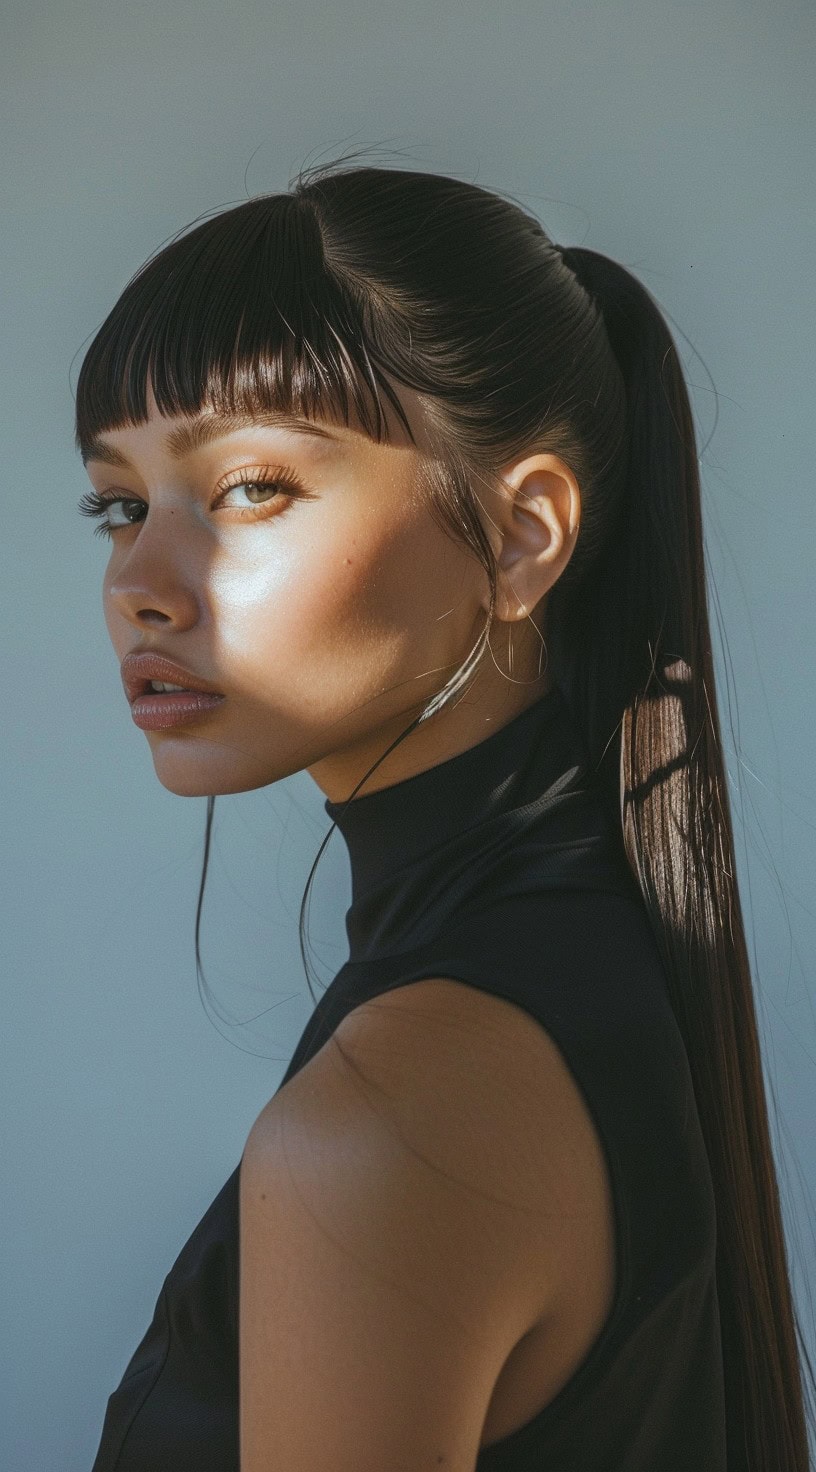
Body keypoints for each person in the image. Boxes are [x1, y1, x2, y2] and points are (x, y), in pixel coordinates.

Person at [75, 158, 814, 1471]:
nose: (142, 581)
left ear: (523, 535)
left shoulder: (391, 1122)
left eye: (249, 487)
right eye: (121, 504)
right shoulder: (574, 970)